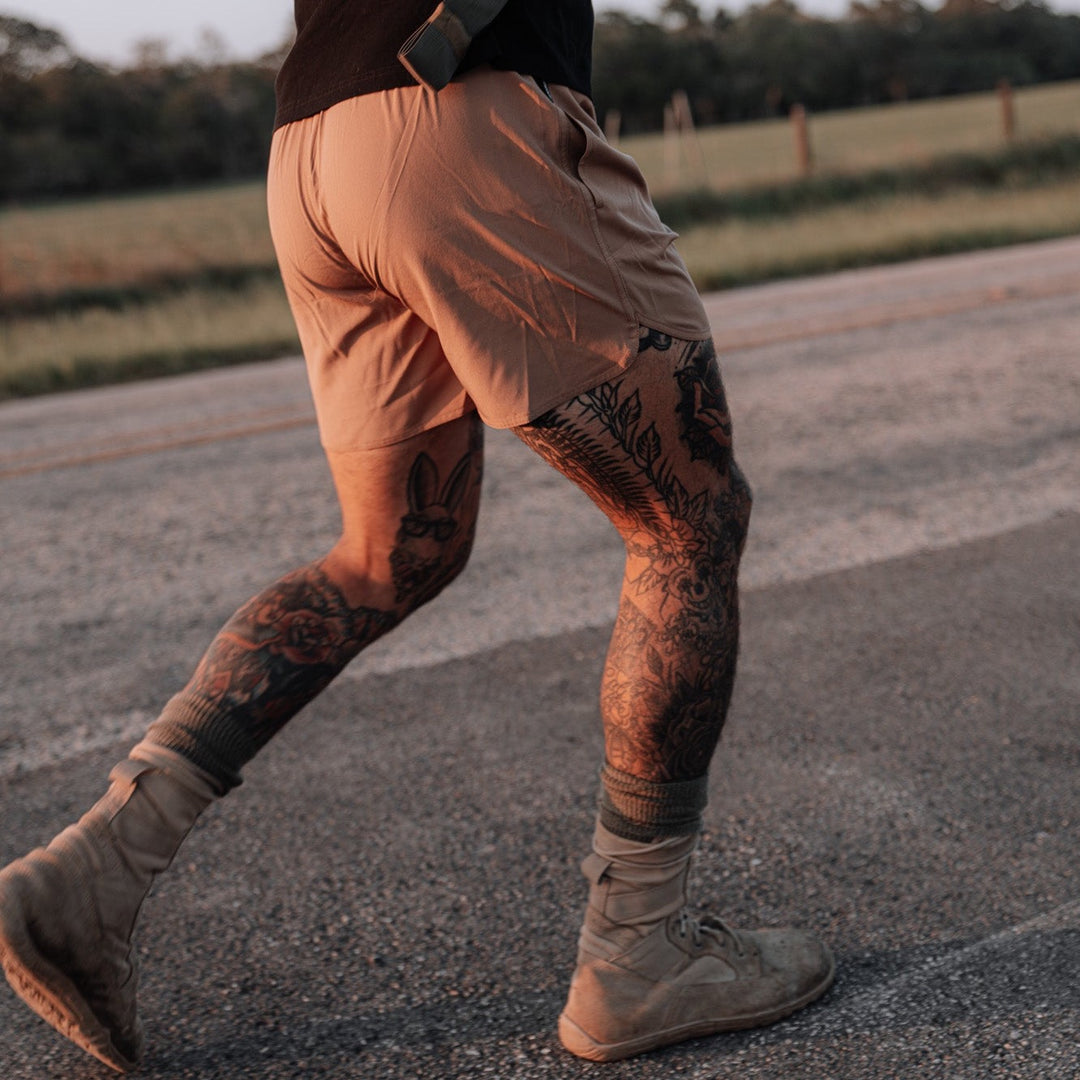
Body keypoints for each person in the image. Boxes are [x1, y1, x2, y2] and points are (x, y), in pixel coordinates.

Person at [0, 1, 834, 1071]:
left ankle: (92, 872)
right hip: (465, 103)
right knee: (687, 524)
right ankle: (639, 953)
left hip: (317, 141)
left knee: (391, 553)